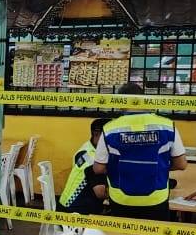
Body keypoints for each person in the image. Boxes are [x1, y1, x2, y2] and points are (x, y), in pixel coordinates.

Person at [92, 82, 187, 222]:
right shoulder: (167, 126)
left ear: (120, 102)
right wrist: (156, 166)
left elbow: (98, 168)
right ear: (143, 98)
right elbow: (181, 164)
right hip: (156, 199)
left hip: (121, 199)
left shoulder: (110, 129)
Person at [57, 118, 110, 214]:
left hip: (67, 206)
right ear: (97, 134)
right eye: (109, 136)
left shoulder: (86, 148)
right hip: (73, 212)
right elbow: (101, 193)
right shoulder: (94, 161)